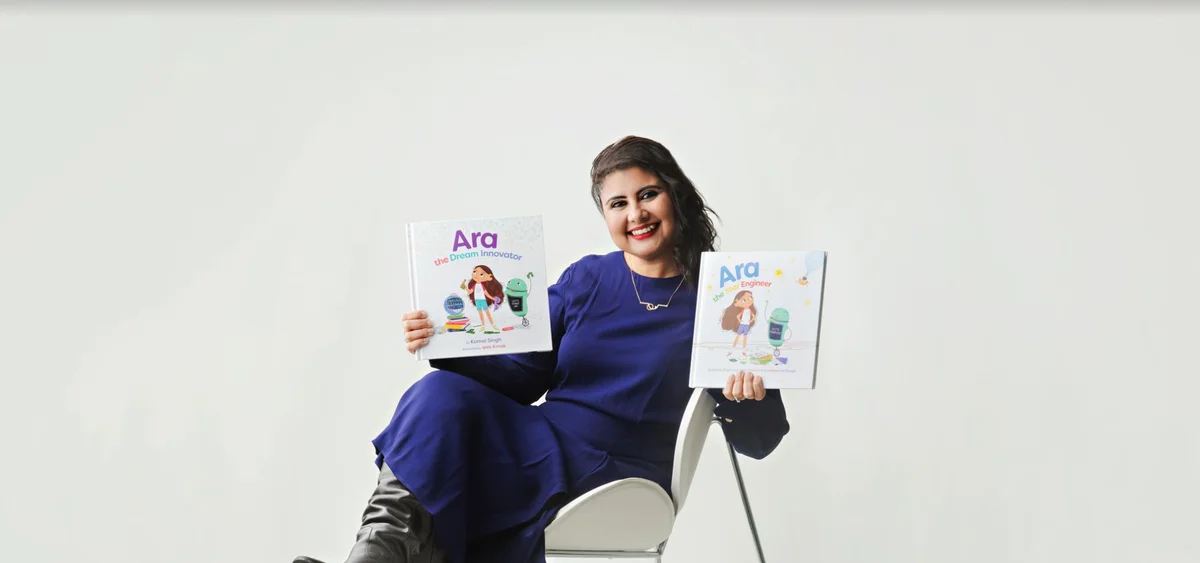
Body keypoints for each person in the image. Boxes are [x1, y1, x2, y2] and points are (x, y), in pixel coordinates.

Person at [294, 136, 791, 563]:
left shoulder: (722, 297)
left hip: (619, 472)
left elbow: (760, 441)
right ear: (606, 216)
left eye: (648, 195)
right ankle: (374, 556)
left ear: (674, 196)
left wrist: (751, 395)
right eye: (618, 204)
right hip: (545, 442)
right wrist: (445, 338)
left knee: (452, 453)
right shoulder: (587, 277)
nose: (635, 214)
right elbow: (522, 372)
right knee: (439, 390)